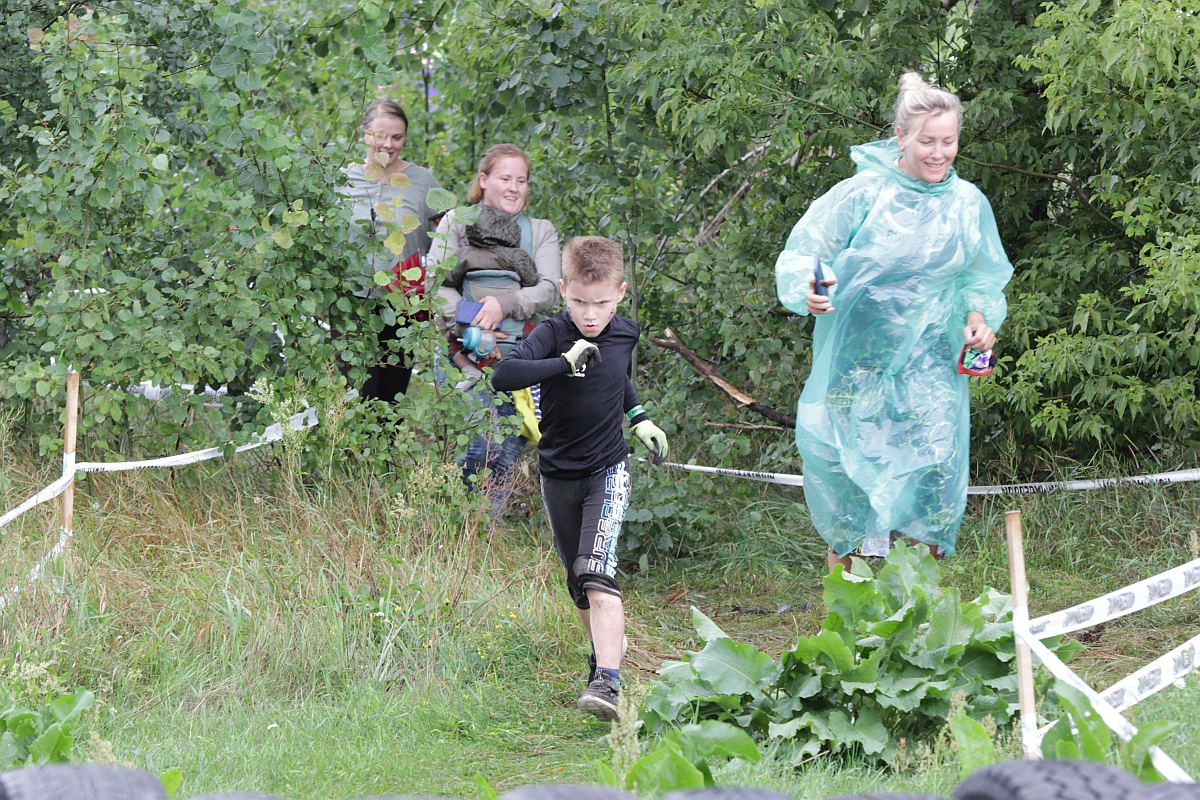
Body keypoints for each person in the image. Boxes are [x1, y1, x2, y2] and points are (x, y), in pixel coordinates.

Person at [774, 72, 1013, 573]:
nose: (939, 152)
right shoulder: (861, 194)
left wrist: (979, 319)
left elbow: (982, 276)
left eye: (948, 141)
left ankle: (920, 617)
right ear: (901, 137)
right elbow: (806, 255)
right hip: (856, 362)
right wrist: (812, 290)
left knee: (934, 473)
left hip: (931, 370)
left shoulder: (968, 204)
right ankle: (848, 614)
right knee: (845, 473)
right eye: (927, 141)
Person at [491, 236, 668, 720]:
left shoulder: (623, 333)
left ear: (621, 292)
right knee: (578, 585)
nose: (591, 315)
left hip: (606, 471)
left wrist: (640, 417)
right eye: (580, 302)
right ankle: (602, 658)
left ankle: (608, 684)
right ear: (564, 290)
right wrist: (563, 363)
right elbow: (503, 375)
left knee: (596, 572)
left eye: (603, 304)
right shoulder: (552, 333)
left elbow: (615, 379)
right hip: (556, 474)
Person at [426, 144, 561, 514]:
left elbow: (548, 289)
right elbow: (435, 285)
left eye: (522, 180)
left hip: (521, 355)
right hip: (462, 352)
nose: (514, 187)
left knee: (508, 448)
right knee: (482, 444)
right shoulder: (456, 222)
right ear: (483, 181)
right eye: (505, 178)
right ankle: (442, 512)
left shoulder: (540, 232)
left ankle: (483, 531)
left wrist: (505, 304)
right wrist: (475, 320)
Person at [339, 98, 442, 401]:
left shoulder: (423, 181)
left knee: (390, 402)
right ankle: (350, 451)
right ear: (364, 134)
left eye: (397, 137)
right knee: (358, 398)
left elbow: (450, 238)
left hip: (403, 305)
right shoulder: (342, 179)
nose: (389, 145)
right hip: (352, 306)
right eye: (381, 136)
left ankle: (389, 449)